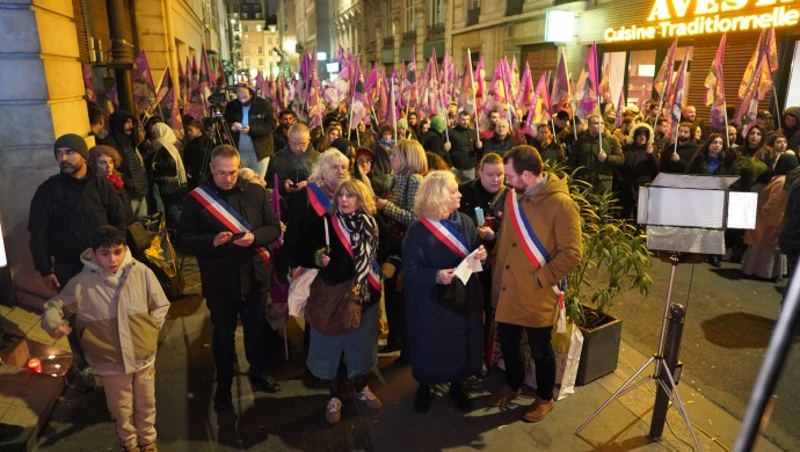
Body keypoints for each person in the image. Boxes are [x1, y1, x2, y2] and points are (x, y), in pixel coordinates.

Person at [41, 226, 169, 452]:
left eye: (118, 252)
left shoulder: (141, 272)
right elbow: (55, 305)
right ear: (94, 253)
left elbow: (161, 304)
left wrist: (150, 330)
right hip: (110, 359)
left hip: (143, 354)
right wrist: (54, 323)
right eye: (104, 253)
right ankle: (128, 442)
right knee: (120, 406)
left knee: (146, 401)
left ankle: (147, 439)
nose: (112, 259)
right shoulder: (82, 283)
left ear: (125, 249)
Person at [176, 145, 283, 412]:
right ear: (212, 169)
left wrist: (255, 238)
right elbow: (183, 241)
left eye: (233, 172)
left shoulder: (255, 192)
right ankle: (224, 386)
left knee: (256, 331)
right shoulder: (196, 200)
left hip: (254, 277)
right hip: (220, 281)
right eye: (221, 173)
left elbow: (273, 227)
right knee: (223, 337)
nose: (228, 178)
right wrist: (211, 241)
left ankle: (258, 373)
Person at [489, 145, 582, 423]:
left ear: (527, 174)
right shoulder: (513, 196)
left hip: (537, 291)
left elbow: (572, 253)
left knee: (540, 349)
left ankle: (544, 397)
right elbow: (507, 236)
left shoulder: (562, 204)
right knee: (509, 343)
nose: (506, 181)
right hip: (507, 286)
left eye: (510, 176)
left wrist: (541, 278)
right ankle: (513, 383)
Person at [28, 133, 127, 392]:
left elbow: (119, 221)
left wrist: (119, 256)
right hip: (69, 267)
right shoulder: (49, 191)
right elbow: (37, 233)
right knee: (76, 321)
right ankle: (84, 367)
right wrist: (44, 269)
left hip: (103, 266)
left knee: (108, 315)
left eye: (69, 152)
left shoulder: (102, 186)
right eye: (59, 153)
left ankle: (115, 362)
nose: (63, 158)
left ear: (83, 155)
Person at [403, 171, 487, 413]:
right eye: (453, 191)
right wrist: (436, 276)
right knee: (429, 343)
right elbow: (410, 269)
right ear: (438, 196)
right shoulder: (417, 231)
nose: (460, 194)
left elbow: (474, 253)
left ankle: (457, 385)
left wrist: (481, 256)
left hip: (461, 297)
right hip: (431, 300)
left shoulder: (466, 222)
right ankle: (424, 386)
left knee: (459, 342)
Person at [306, 179, 384, 424]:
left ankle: (361, 388)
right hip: (333, 297)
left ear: (362, 199)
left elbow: (390, 248)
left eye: (350, 196)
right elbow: (303, 249)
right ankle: (334, 397)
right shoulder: (325, 223)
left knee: (362, 346)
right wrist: (317, 257)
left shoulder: (372, 222)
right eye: (341, 195)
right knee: (331, 347)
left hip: (364, 296)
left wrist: (391, 264)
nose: (344, 200)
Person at [375, 140, 428, 359]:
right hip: (392, 245)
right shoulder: (396, 178)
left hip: (405, 246)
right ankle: (394, 339)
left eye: (395, 155)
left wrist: (385, 206)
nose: (390, 159)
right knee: (391, 294)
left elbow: (415, 218)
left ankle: (406, 347)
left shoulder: (414, 180)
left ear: (407, 158)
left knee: (400, 295)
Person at [458, 153, 509, 350]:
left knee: (489, 305)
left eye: (500, 174)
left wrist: (493, 235)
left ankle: (483, 352)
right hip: (465, 259)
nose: (496, 179)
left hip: (494, 262)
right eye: (490, 174)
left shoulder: (510, 196)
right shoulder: (464, 191)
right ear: (480, 172)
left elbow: (513, 233)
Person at [742, 152, 798, 280]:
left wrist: (760, 213)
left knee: (763, 248)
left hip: (768, 220)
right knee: (768, 248)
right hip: (775, 220)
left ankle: (761, 272)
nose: (774, 163)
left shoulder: (781, 181)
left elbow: (773, 202)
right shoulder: (786, 179)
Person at [265, 123, 321, 216]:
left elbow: (327, 185)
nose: (297, 148)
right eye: (293, 144)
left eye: (301, 144)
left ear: (309, 140)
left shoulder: (320, 159)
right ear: (288, 139)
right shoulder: (277, 159)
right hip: (284, 207)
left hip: (311, 209)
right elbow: (268, 183)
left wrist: (310, 185)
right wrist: (283, 185)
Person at [224, 83, 278, 177]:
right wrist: (231, 126)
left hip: (260, 153)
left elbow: (271, 125)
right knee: (242, 180)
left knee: (257, 180)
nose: (242, 100)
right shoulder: (231, 106)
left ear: (251, 93)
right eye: (239, 97)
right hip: (239, 153)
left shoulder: (263, 105)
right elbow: (224, 124)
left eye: (245, 97)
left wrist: (251, 130)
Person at [107, 110, 149, 217]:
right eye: (127, 122)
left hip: (139, 190)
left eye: (131, 122)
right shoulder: (111, 143)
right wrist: (125, 181)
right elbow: (112, 169)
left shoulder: (128, 141)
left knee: (142, 222)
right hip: (128, 193)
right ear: (118, 123)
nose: (131, 125)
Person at [571, 114, 624, 192]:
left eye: (602, 123)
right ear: (589, 126)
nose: (600, 125)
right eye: (596, 123)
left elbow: (620, 159)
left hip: (603, 186)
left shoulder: (611, 141)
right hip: (584, 185)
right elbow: (572, 163)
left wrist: (607, 158)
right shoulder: (580, 142)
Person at [150, 123, 188, 234]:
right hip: (173, 185)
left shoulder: (166, 147)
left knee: (172, 210)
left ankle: (179, 233)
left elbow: (170, 164)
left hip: (169, 186)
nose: (153, 136)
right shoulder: (170, 145)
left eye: (155, 133)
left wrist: (155, 165)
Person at [620, 123, 658, 219]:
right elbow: (620, 164)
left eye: (645, 135)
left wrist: (650, 155)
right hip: (627, 184)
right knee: (625, 210)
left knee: (640, 212)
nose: (642, 137)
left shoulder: (651, 149)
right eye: (640, 135)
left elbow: (656, 166)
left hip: (642, 185)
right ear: (635, 136)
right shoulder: (626, 148)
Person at [89, 145, 135, 224]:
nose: (108, 166)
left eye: (111, 162)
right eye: (103, 162)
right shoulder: (96, 186)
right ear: (94, 165)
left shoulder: (117, 180)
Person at [448, 111, 482, 182]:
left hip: (470, 168)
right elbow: (447, 152)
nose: (465, 122)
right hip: (456, 168)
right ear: (458, 120)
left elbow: (478, 152)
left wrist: (479, 147)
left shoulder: (474, 133)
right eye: (463, 120)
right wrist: (451, 165)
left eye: (467, 119)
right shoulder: (451, 133)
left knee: (469, 187)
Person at [182, 118, 212, 190]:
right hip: (194, 176)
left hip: (207, 174)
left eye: (191, 130)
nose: (189, 132)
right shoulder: (189, 145)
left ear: (198, 129)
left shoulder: (208, 142)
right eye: (188, 130)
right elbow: (186, 161)